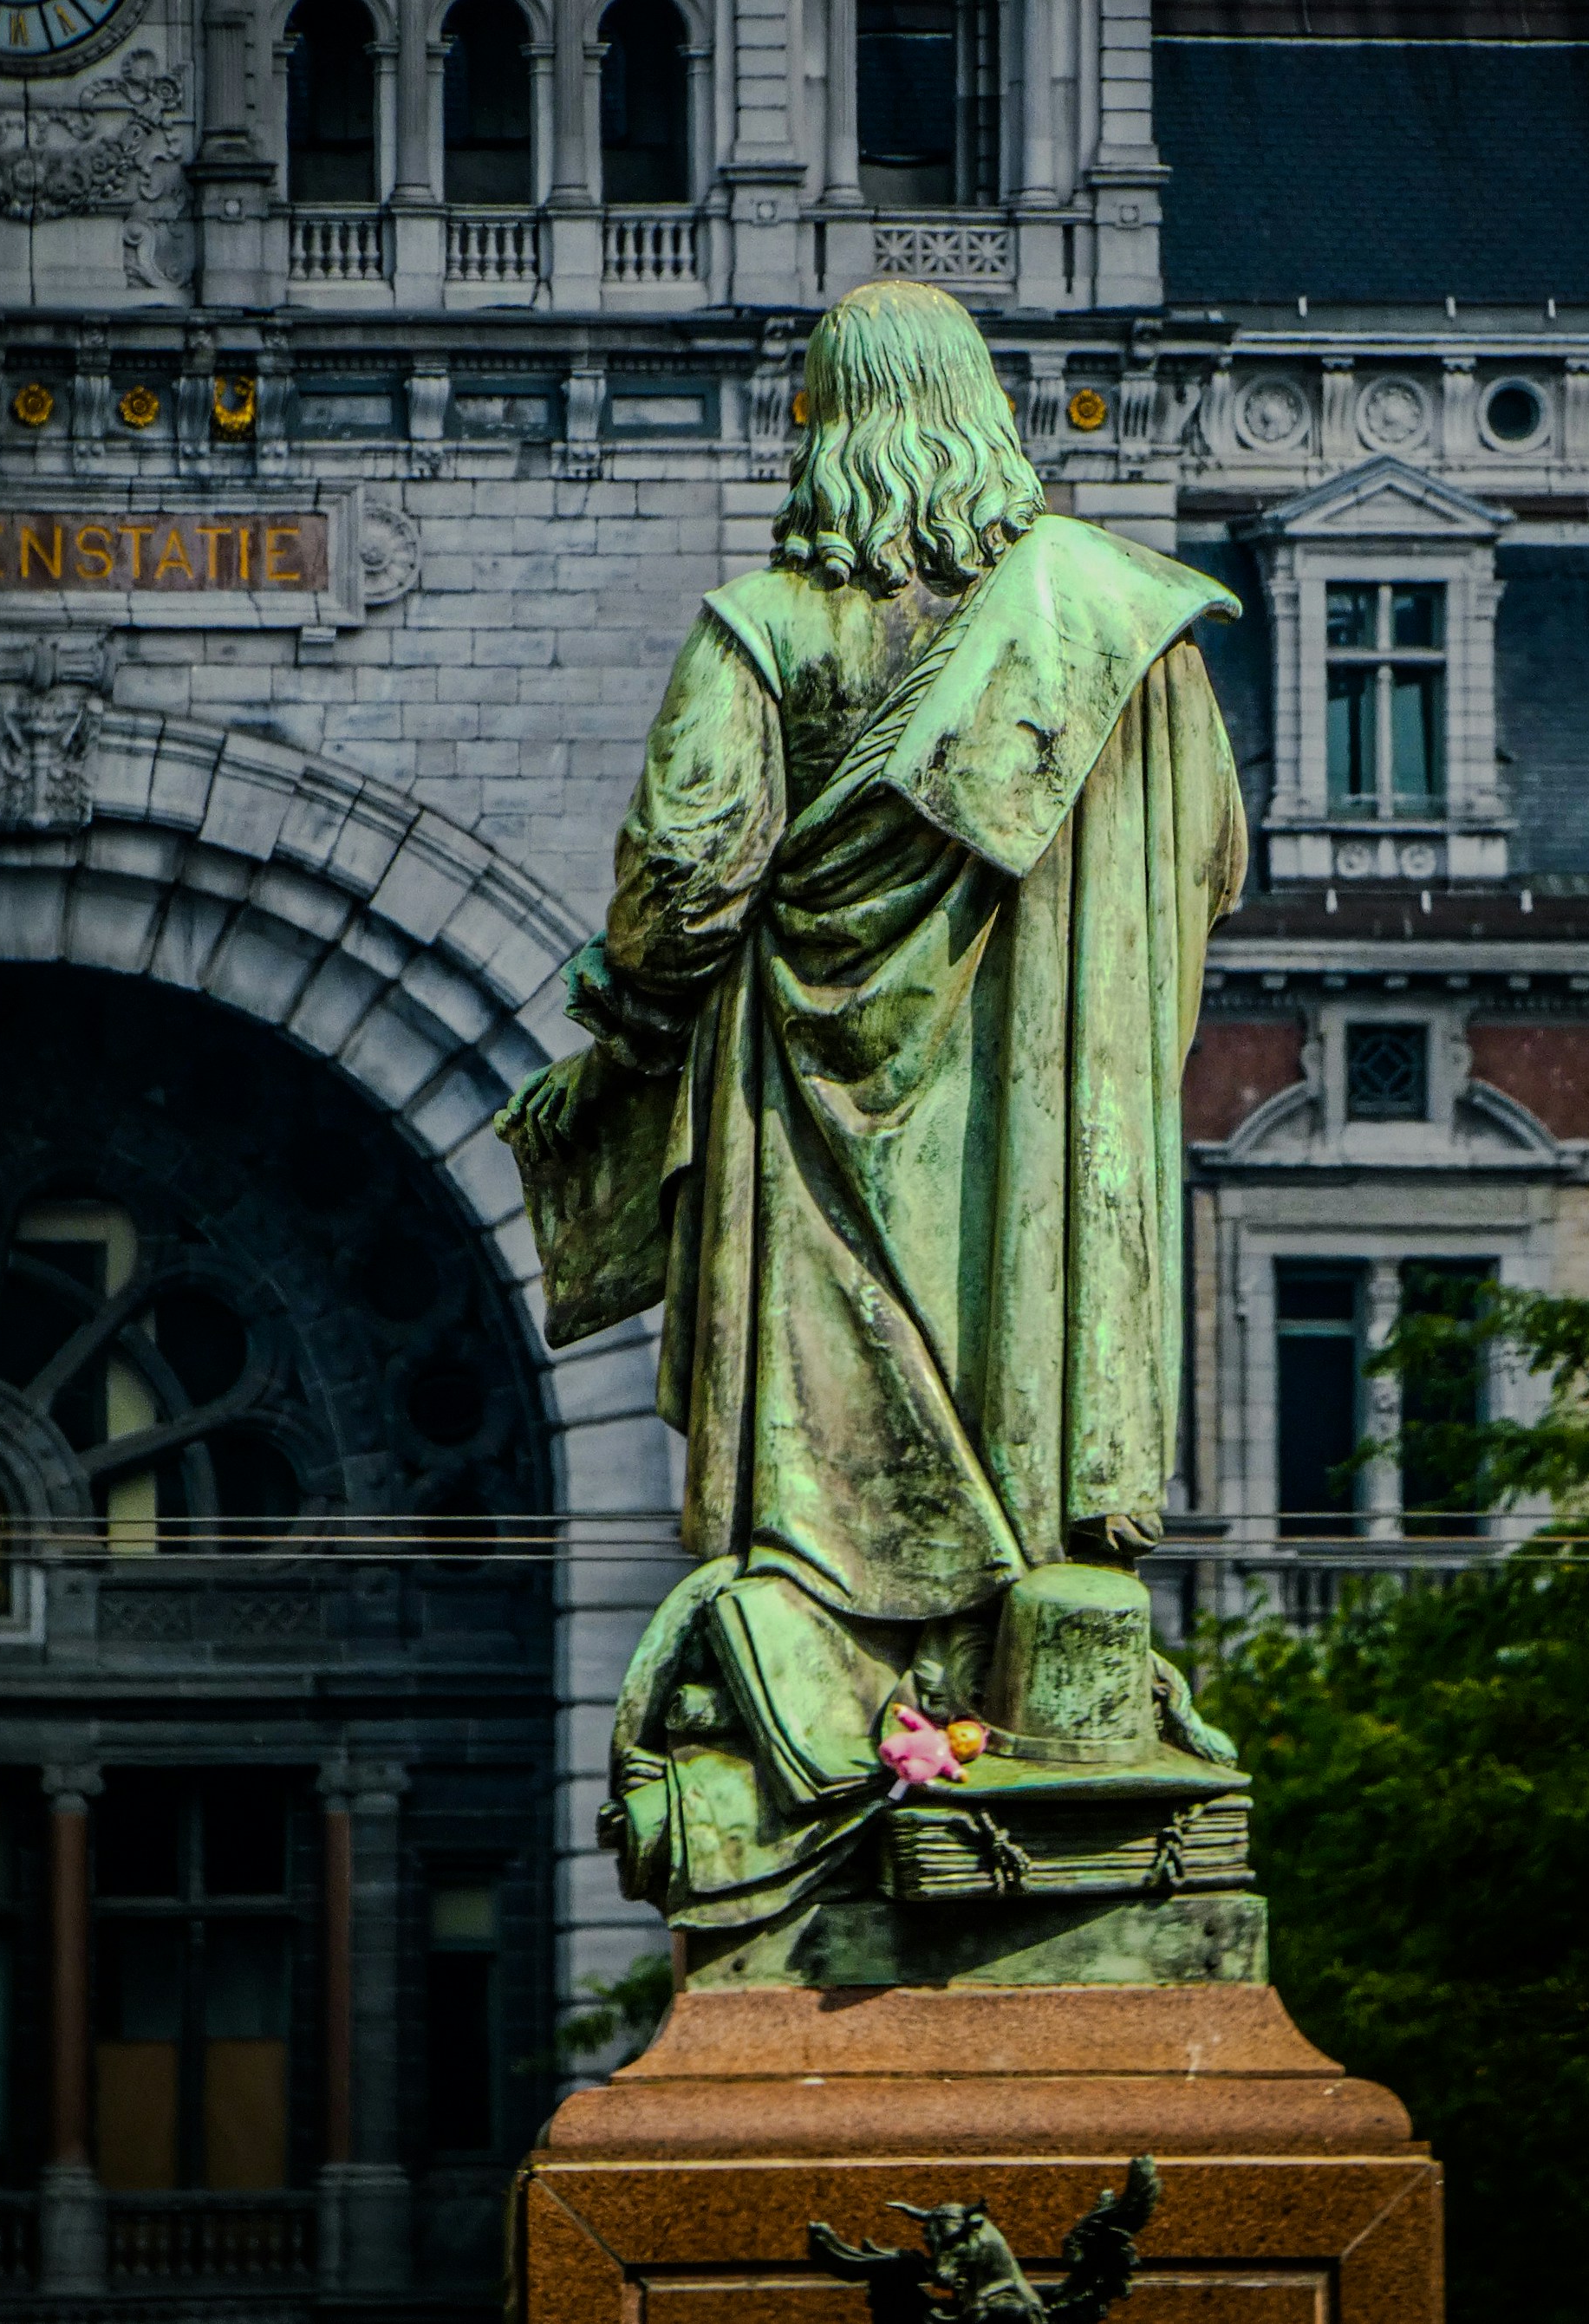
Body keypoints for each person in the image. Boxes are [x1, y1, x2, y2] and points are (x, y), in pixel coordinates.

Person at [500, 280, 1246, 1927]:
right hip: (1046, 1206)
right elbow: (1203, 882)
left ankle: (844, 1734)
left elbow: (682, 899)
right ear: (979, 421)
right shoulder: (1121, 631)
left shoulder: (768, 629)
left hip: (811, 1155)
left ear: (826, 434)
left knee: (809, 1486)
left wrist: (616, 1031)